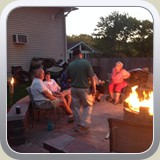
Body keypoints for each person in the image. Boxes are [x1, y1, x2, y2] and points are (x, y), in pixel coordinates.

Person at [66, 48, 96, 132]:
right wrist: (94, 88)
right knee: (88, 105)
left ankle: (77, 125)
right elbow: (92, 76)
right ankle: (84, 123)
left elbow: (67, 78)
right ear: (81, 54)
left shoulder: (70, 65)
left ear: (73, 55)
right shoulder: (86, 63)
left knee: (76, 107)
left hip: (74, 89)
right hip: (84, 89)